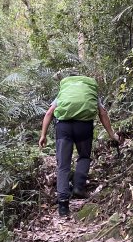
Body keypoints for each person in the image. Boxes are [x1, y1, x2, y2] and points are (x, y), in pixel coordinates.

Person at [39, 74, 119, 217]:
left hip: (63, 128)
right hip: (84, 127)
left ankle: (63, 205)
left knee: (63, 165)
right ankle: (78, 187)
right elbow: (102, 113)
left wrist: (43, 135)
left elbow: (49, 112)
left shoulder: (63, 94)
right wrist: (112, 134)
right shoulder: (90, 92)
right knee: (83, 157)